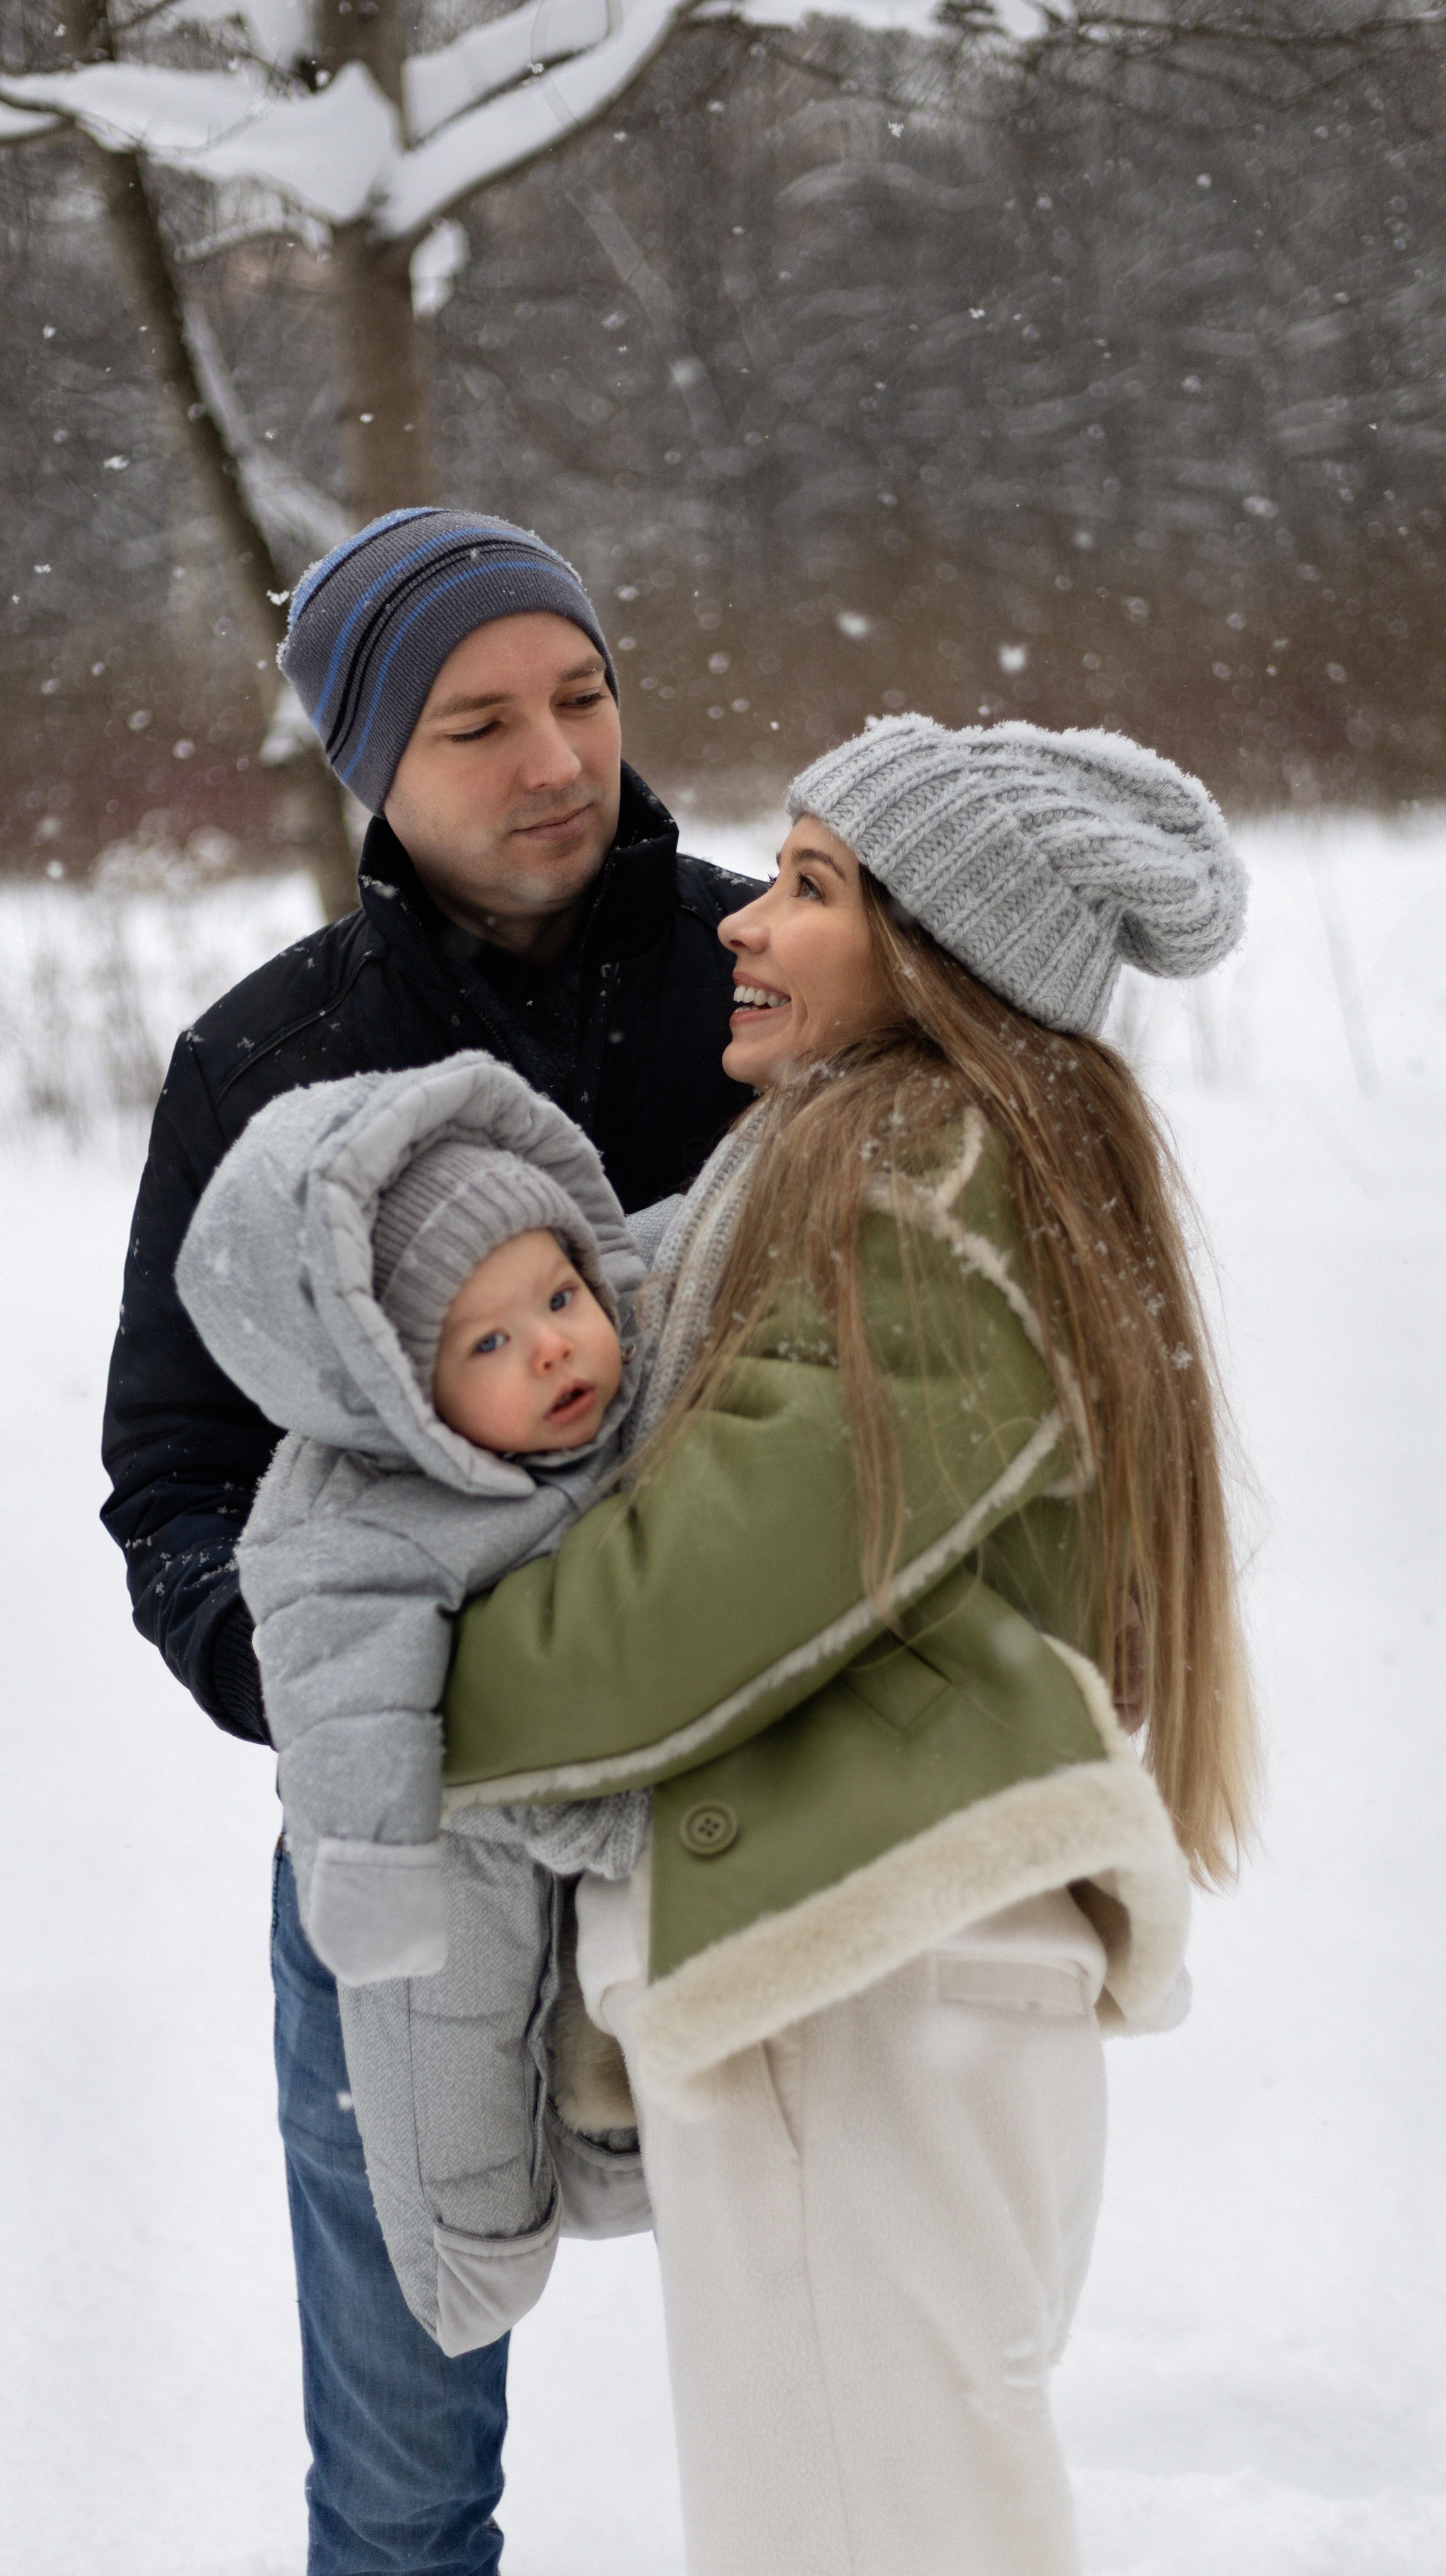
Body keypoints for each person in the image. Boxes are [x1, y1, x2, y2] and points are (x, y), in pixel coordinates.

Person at [439, 715, 1260, 2575]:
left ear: (935, 957)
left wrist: (400, 1689)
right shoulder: (919, 1170)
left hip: (868, 1977)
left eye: (810, 888)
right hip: (899, 1977)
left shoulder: (917, 1194)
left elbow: (702, 1597)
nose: (743, 919)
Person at [99, 507, 752, 2572]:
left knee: (845, 2400)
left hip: (762, 1808)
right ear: (371, 763)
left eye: (579, 693)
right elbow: (175, 1474)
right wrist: (323, 1674)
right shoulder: (269, 1061)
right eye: (477, 722)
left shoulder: (773, 986)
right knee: (401, 2488)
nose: (556, 756)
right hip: (404, 1847)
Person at [174, 1051, 659, 2360]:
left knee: (613, 2026)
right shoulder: (357, 1519)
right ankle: (475, 2248)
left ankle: (617, 2160)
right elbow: (339, 1696)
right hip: (462, 1844)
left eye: (560, 1294)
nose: (554, 1342)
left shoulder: (644, 1346)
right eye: (488, 1341)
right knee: (452, 2051)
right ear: (396, 1391)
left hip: (633, 1804)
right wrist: (377, 1874)